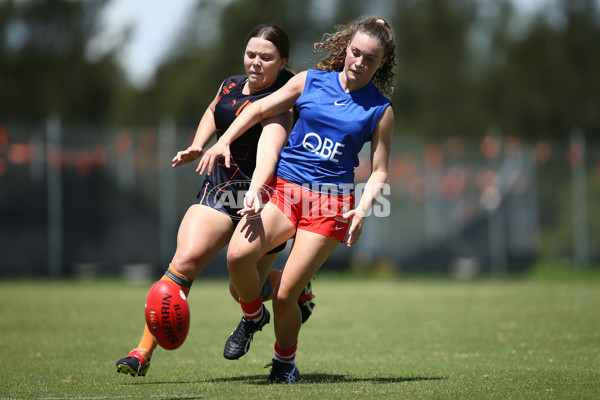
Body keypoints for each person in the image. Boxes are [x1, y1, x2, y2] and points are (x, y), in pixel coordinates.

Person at [198, 16, 396, 383]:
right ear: (345, 48)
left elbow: (379, 171)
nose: (359, 63)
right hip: (285, 189)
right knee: (238, 260)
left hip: (331, 203)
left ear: (381, 63)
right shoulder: (310, 80)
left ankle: (284, 363)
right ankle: (254, 316)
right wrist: (223, 140)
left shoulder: (380, 110)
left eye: (370, 59)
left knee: (286, 294)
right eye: (355, 53)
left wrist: (363, 209)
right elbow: (257, 109)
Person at [115, 24, 316, 377]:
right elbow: (215, 110)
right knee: (184, 262)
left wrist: (255, 192)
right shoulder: (231, 84)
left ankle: (293, 290)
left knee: (239, 293)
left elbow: (269, 154)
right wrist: (198, 143)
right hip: (219, 190)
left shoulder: (282, 102)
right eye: (251, 54)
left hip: (264, 200)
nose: (256, 62)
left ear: (282, 61)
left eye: (266, 58)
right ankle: (141, 352)